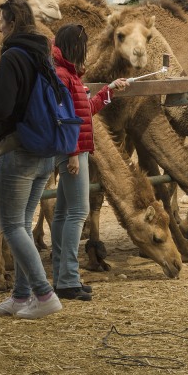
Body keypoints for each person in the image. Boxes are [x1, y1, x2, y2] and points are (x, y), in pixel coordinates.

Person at [0, 0, 63, 320]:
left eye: (2, 20)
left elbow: (1, 107)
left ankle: (44, 294)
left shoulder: (12, 57)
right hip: (45, 155)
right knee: (23, 224)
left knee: (11, 226)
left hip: (17, 151)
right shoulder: (43, 54)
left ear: (12, 23)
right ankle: (21, 295)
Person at [50, 24, 128, 301]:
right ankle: (69, 279)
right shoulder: (62, 76)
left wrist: (110, 90)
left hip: (74, 150)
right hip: (73, 152)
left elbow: (86, 111)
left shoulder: (68, 75)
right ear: (75, 47)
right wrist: (72, 153)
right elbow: (62, 118)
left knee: (63, 212)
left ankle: (61, 274)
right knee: (78, 212)